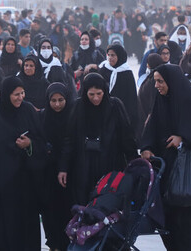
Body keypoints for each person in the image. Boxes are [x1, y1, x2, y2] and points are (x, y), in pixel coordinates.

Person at [140, 64, 191, 251]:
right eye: (155, 81)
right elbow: (152, 128)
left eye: (160, 81)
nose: (157, 85)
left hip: (187, 178)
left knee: (188, 226)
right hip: (165, 172)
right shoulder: (160, 100)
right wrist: (146, 147)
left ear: (171, 81)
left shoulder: (190, 101)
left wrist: (183, 139)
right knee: (169, 224)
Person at [0, 76, 46, 251]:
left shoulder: (28, 110)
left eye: (22, 93)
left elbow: (41, 141)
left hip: (23, 181)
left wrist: (29, 144)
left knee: (23, 227)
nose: (20, 97)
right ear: (5, 94)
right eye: (16, 94)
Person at [58, 73, 138, 205]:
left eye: (99, 94)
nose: (95, 98)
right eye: (91, 94)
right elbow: (69, 139)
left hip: (110, 164)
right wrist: (63, 167)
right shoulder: (78, 107)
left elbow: (127, 137)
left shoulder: (115, 106)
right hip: (83, 167)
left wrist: (133, 161)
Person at [41, 82, 73, 251]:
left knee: (67, 210)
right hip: (48, 173)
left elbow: (71, 143)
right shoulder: (43, 116)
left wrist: (64, 166)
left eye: (61, 100)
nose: (57, 104)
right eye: (53, 100)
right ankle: (54, 244)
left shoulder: (73, 116)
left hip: (69, 172)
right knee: (50, 211)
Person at [98, 43, 143, 136]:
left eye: (113, 55)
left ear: (119, 55)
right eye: (109, 55)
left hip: (122, 113)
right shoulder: (103, 70)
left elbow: (131, 96)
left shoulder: (126, 72)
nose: (110, 58)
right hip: (104, 112)